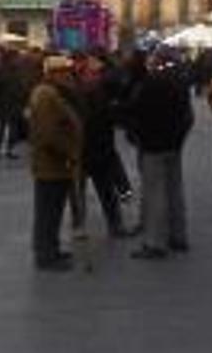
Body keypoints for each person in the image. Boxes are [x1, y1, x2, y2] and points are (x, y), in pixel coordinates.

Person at [126, 47, 194, 260]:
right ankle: (178, 235)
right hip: (173, 144)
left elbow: (138, 111)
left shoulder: (152, 82)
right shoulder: (180, 82)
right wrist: (179, 137)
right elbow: (188, 116)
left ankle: (155, 243)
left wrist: (137, 133)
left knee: (155, 192)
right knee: (175, 190)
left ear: (158, 60)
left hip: (153, 145)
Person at [28, 56, 84, 272]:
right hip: (52, 163)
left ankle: (50, 247)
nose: (69, 76)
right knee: (48, 211)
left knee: (52, 210)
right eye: (64, 72)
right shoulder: (45, 95)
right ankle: (46, 254)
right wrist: (65, 153)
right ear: (53, 74)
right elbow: (48, 133)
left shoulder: (51, 93)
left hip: (56, 163)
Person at [75, 56, 129, 237]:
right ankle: (79, 226)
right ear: (82, 76)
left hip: (100, 149)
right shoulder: (76, 95)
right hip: (81, 150)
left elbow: (112, 118)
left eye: (97, 74)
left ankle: (116, 225)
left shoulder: (103, 93)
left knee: (106, 191)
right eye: (91, 74)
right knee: (78, 192)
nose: (95, 77)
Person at [0, 48, 27, 159]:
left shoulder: (3, 69)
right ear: (11, 58)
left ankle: (6, 149)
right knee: (4, 127)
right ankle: (1, 149)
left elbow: (22, 87)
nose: (18, 59)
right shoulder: (5, 70)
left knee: (11, 128)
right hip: (7, 102)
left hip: (11, 102)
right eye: (17, 57)